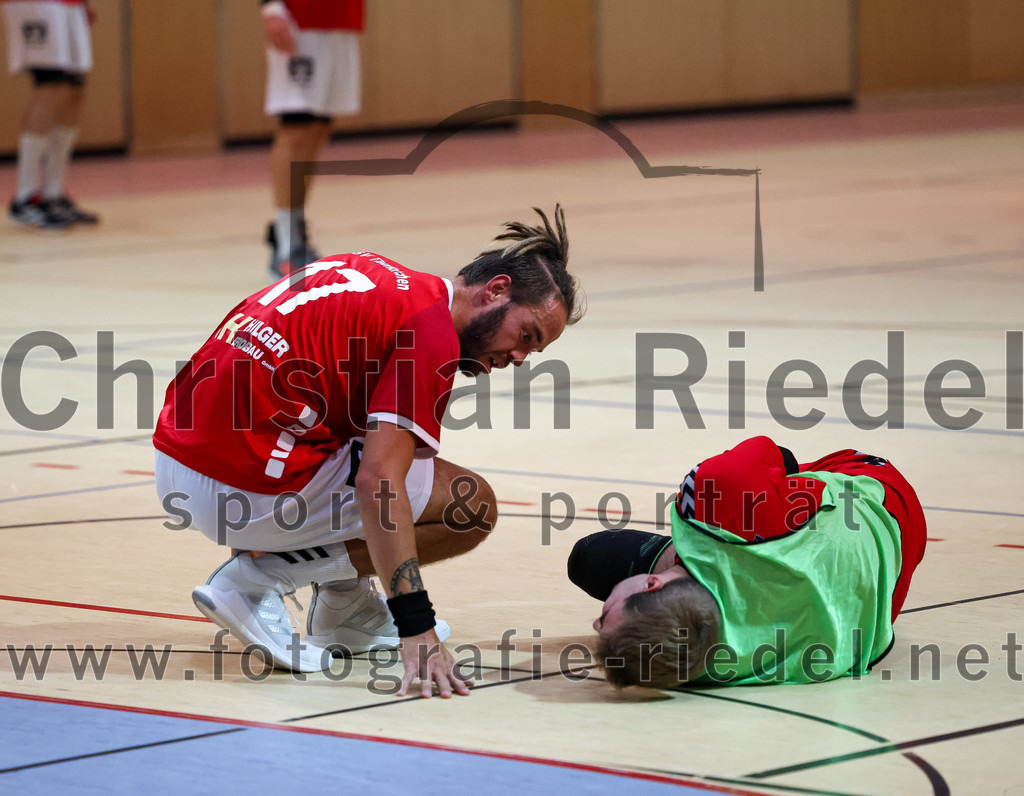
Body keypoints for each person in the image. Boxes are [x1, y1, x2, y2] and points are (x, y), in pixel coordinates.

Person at [154, 206, 583, 698]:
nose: (519, 358)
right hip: (238, 482)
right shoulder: (430, 334)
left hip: (177, 453)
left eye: (533, 351)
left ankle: (346, 605)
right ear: (497, 290)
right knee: (468, 505)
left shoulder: (372, 272)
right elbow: (378, 481)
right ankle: (254, 581)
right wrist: (416, 625)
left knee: (387, 442)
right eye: (526, 336)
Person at [568, 435, 927, 689]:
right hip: (879, 494)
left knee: (592, 561)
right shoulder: (719, 495)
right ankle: (689, 554)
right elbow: (780, 456)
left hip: (885, 583)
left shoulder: (699, 664)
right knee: (597, 557)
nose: (595, 625)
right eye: (605, 617)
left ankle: (690, 558)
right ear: (652, 582)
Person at [260, 0, 363, 278]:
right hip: (301, 20)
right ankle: (287, 246)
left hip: (341, 19)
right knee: (298, 127)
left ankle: (293, 234)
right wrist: (271, 9)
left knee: (318, 128)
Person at [2, 0, 99, 228]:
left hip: (68, 5)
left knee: (74, 90)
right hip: (37, 5)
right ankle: (25, 198)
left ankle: (51, 194)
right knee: (52, 86)